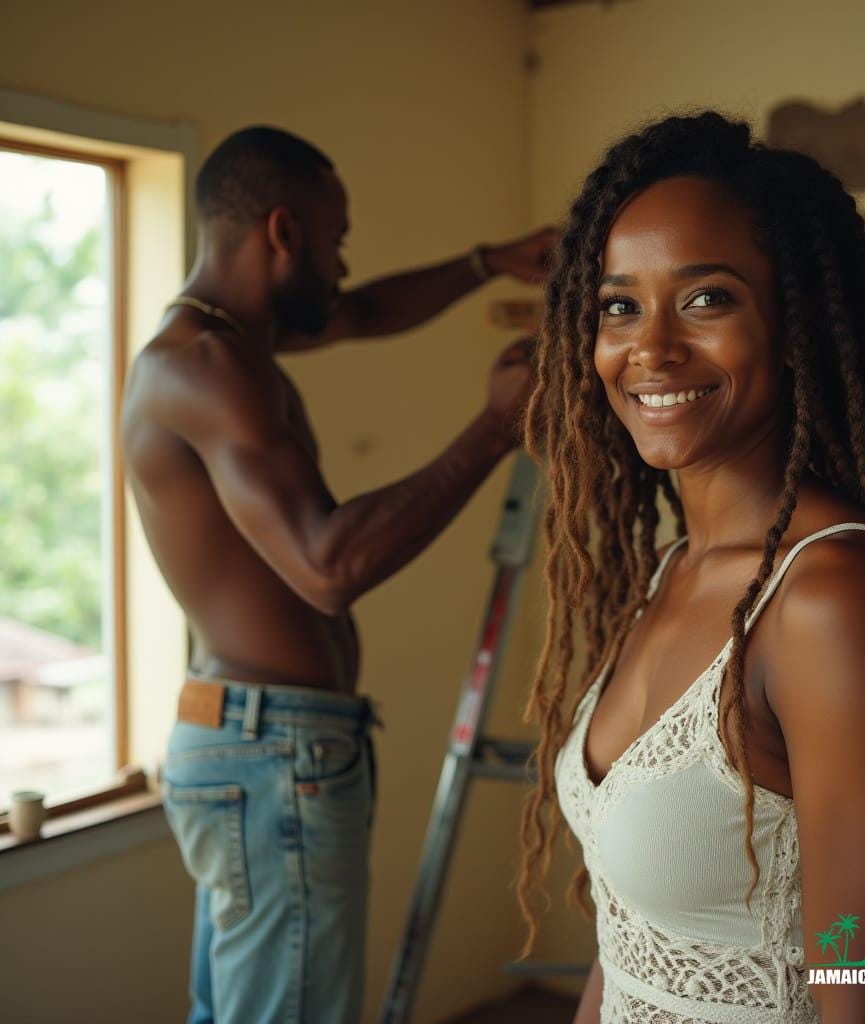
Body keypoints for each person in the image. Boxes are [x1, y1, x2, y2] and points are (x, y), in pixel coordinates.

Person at [516, 112, 865, 1024]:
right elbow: (627, 945)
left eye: (706, 299)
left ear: (794, 323)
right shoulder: (668, 573)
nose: (649, 348)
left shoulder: (836, 596)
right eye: (619, 304)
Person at [120, 125, 553, 1024]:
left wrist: (489, 261)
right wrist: (492, 429)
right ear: (284, 232)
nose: (344, 263)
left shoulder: (228, 340)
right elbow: (328, 567)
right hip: (272, 749)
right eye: (336, 239)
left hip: (257, 739)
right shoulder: (205, 367)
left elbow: (362, 312)